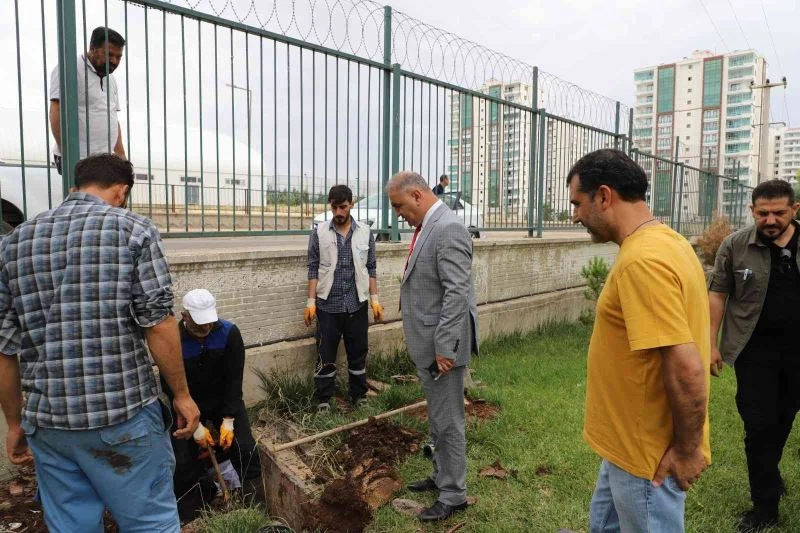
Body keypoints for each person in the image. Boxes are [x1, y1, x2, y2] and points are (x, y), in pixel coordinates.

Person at [0, 153, 199, 532]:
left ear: (75, 186)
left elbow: (4, 348)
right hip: (121, 417)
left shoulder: (14, 243)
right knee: (150, 522)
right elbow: (157, 323)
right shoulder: (134, 231)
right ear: (121, 192)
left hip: (50, 424)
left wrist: (14, 422)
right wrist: (182, 395)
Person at [568, 149, 710, 533]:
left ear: (604, 196)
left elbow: (686, 368)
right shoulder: (667, 241)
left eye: (577, 203)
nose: (575, 215)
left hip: (647, 457)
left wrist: (686, 450)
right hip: (626, 445)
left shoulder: (642, 261)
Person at [709, 179, 800, 531]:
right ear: (752, 211)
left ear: (794, 210)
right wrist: (710, 342)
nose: (770, 219)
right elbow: (717, 294)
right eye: (763, 213)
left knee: (783, 420)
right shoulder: (735, 246)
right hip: (754, 353)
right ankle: (764, 506)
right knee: (758, 426)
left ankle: (770, 471)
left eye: (779, 212)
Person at [387, 171, 478, 522]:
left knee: (449, 420)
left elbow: (457, 293)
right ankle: (442, 475)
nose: (397, 213)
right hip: (431, 343)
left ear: (417, 195)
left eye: (399, 205)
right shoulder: (429, 225)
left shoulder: (448, 228)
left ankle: (454, 494)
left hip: (443, 347)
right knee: (438, 416)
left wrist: (445, 347)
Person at [167, 289, 262, 521]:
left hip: (224, 402)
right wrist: (195, 424)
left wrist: (229, 419)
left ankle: (253, 505)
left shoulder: (229, 333)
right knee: (183, 463)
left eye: (209, 324)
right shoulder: (173, 340)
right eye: (199, 326)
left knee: (245, 449)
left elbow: (233, 380)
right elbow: (169, 383)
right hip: (187, 406)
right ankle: (192, 516)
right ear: (184, 316)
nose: (205, 330)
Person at [305, 184, 384, 412]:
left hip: (356, 304)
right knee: (325, 354)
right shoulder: (319, 232)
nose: (339, 212)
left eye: (343, 207)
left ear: (351, 204)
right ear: (330, 206)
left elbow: (370, 267)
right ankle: (323, 400)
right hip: (328, 304)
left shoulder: (365, 233)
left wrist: (375, 299)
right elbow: (313, 269)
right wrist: (310, 302)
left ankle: (359, 395)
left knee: (358, 353)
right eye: (334, 207)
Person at [49, 27, 127, 174]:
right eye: (109, 54)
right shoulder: (69, 69)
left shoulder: (111, 79)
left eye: (119, 57)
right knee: (82, 197)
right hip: (78, 159)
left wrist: (121, 156)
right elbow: (56, 111)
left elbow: (112, 118)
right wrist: (68, 154)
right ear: (92, 48)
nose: (114, 61)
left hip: (103, 159)